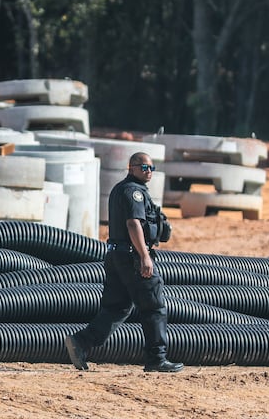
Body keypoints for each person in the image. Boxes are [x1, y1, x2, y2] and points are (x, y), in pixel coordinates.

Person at [65, 151, 183, 372]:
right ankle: (157, 359)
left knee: (117, 308)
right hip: (132, 258)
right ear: (132, 168)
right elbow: (133, 224)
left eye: (151, 168)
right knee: (154, 307)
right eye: (144, 167)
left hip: (116, 256)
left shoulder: (121, 189)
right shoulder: (133, 192)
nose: (149, 172)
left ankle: (81, 342)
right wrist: (144, 256)